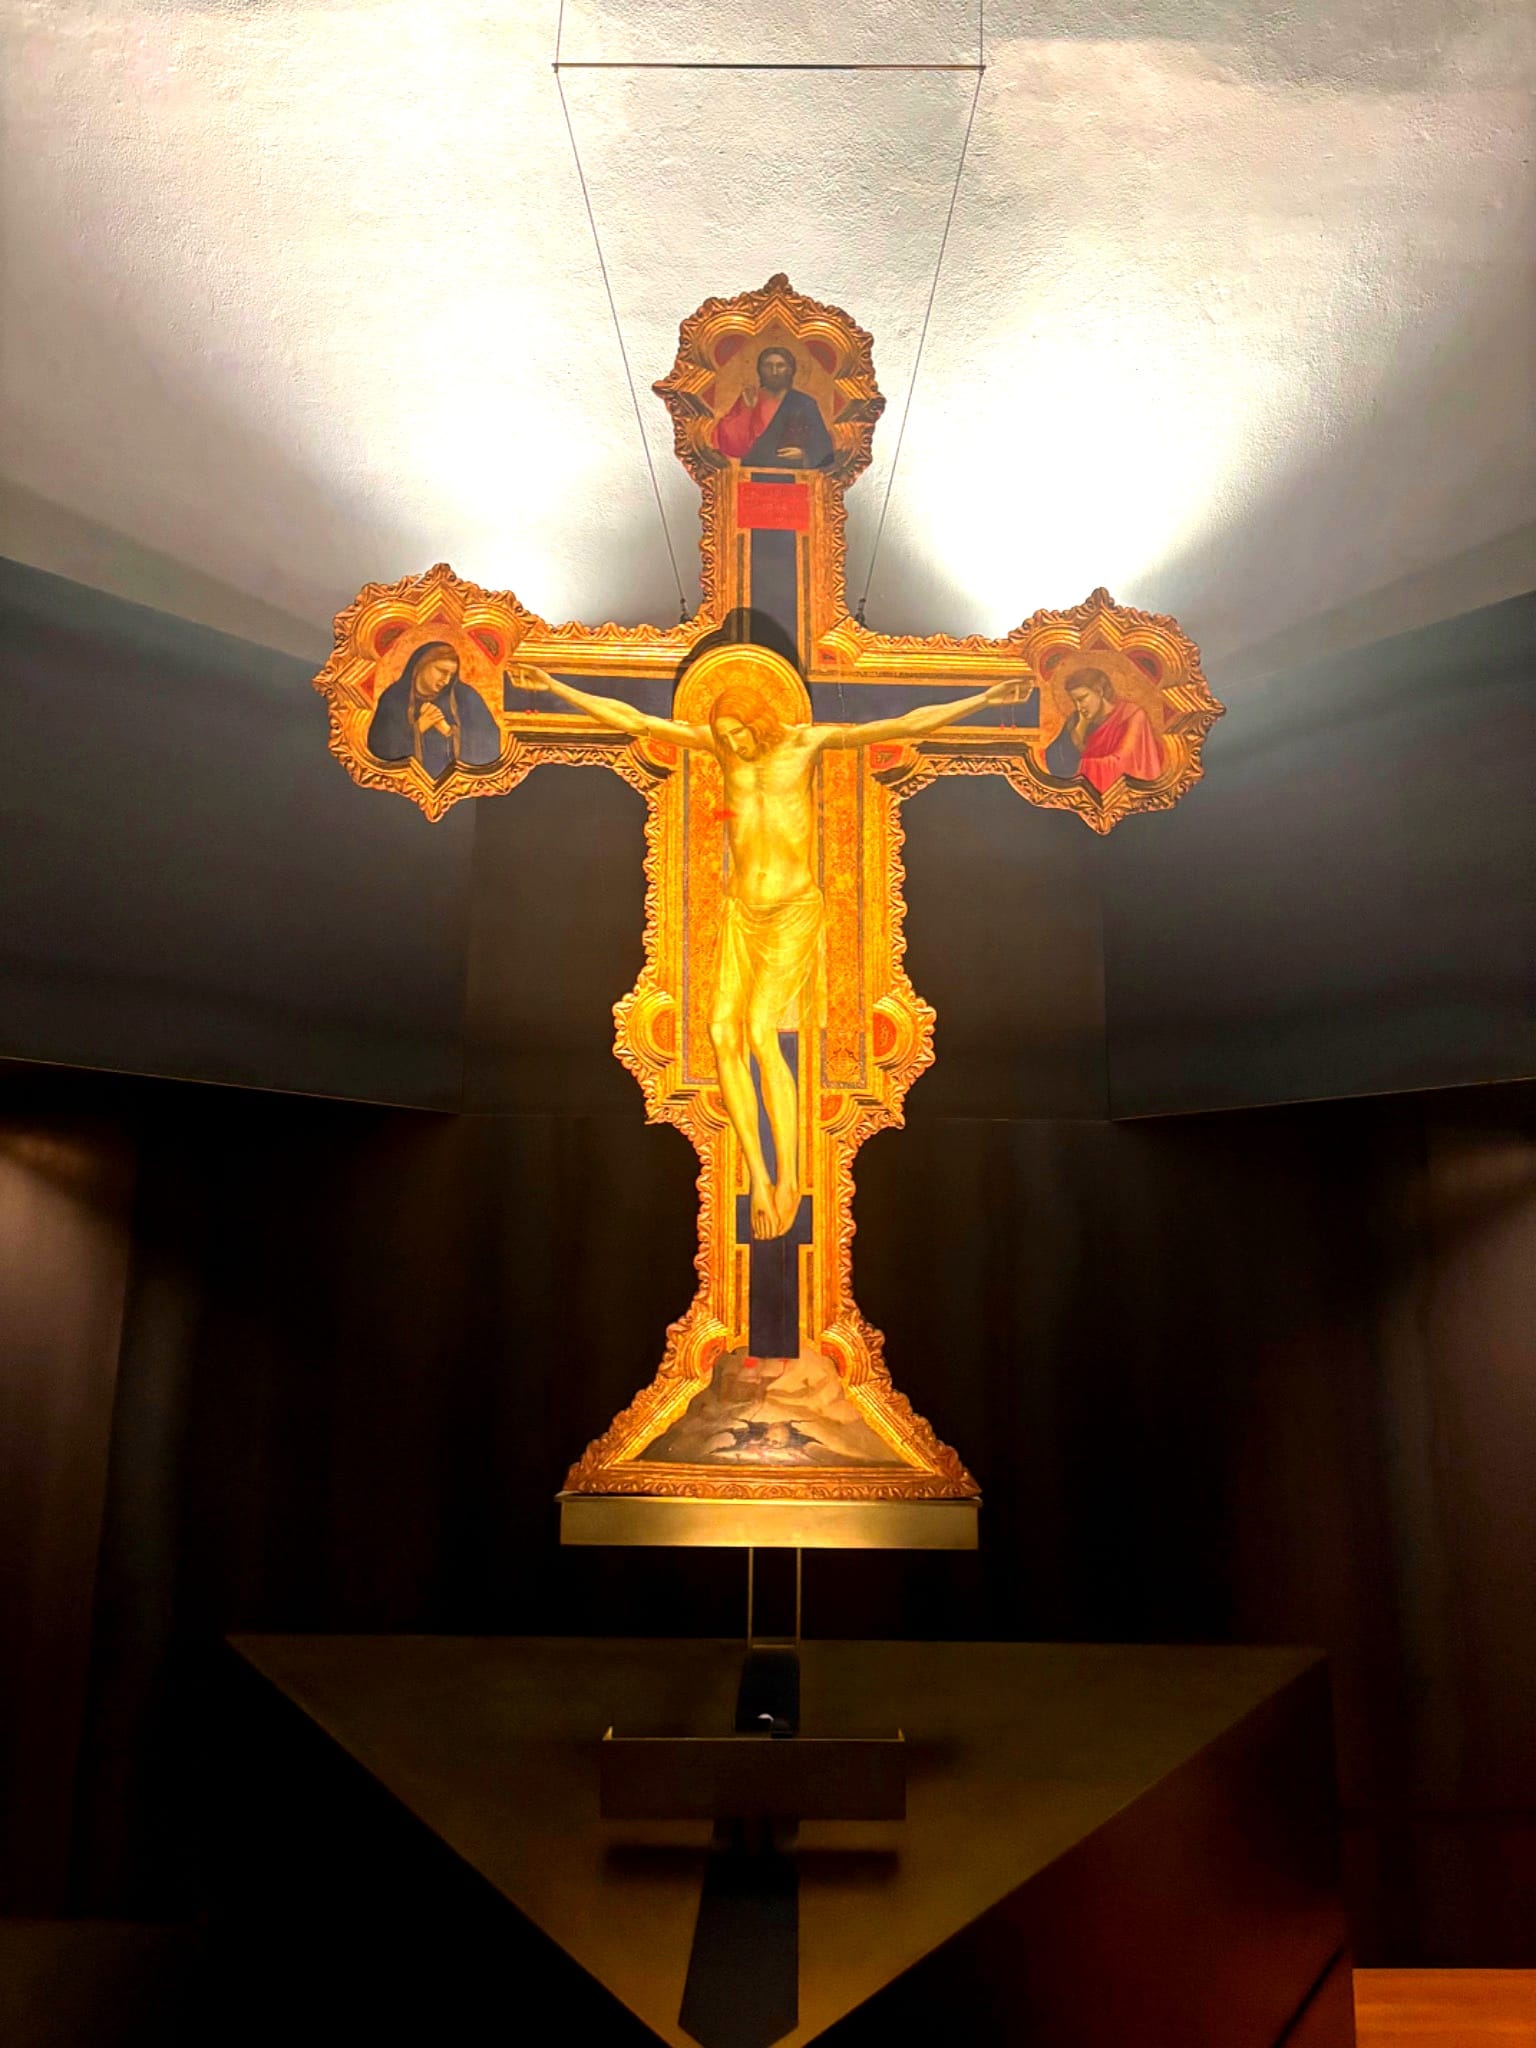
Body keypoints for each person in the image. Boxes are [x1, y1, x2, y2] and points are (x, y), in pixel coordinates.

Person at [512, 655, 1021, 1237]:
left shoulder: (804, 745)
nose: (733, 744)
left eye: (739, 733)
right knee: (720, 1032)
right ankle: (759, 1174)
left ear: (759, 722)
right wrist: (553, 686)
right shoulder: (720, 747)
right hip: (741, 912)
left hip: (791, 912)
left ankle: (791, 1179)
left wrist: (984, 700)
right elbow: (636, 721)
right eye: (725, 736)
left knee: (760, 1032)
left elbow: (904, 724)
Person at [367, 641, 501, 781]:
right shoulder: (394, 698)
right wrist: (418, 729)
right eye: (442, 671)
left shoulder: (465, 697)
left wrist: (449, 731)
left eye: (451, 675)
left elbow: (490, 746)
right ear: (422, 664)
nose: (446, 681)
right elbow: (379, 749)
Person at [1042, 667, 1162, 792]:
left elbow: (1124, 762)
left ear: (1099, 691)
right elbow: (1057, 763)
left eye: (1082, 699)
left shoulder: (1131, 715)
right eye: (1074, 701)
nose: (1078, 707)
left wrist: (1081, 765)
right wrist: (1081, 726)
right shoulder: (1077, 719)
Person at [712, 347, 833, 469]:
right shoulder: (749, 397)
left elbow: (824, 449)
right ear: (759, 370)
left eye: (780, 366)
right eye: (768, 366)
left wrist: (804, 454)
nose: (774, 372)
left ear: (790, 370)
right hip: (752, 472)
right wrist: (747, 410)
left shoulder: (804, 403)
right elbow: (732, 446)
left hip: (793, 473)